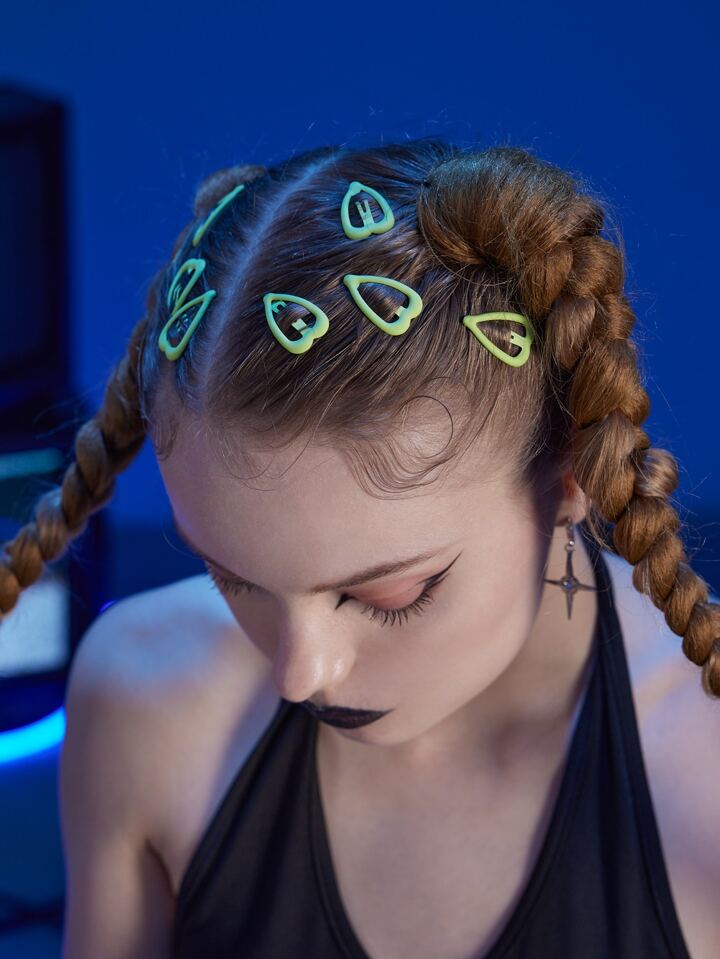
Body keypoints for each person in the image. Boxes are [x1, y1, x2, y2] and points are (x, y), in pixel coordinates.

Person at [1, 140, 718, 957]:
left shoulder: (703, 772)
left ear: (570, 470)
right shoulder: (145, 698)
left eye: (388, 595)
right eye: (232, 578)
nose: (299, 673)